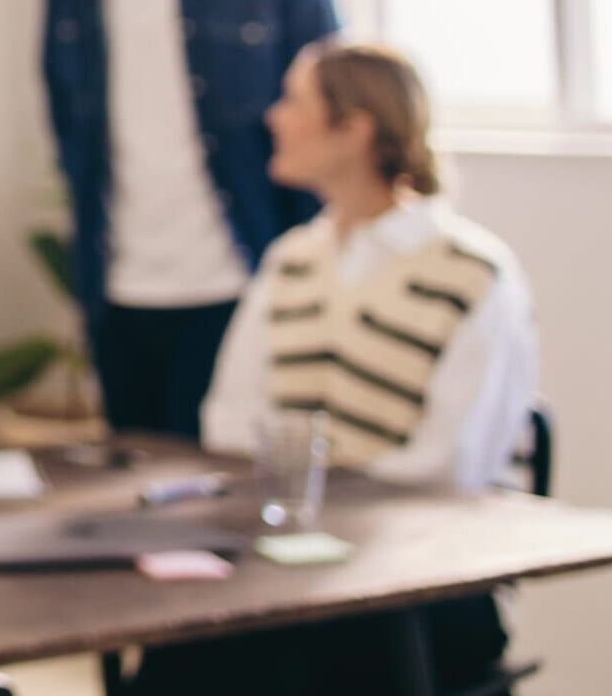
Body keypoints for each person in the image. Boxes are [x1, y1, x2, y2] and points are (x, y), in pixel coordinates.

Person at [134, 42, 538, 695]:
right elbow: (230, 422)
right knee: (175, 648)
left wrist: (310, 497)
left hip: (423, 586)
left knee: (278, 658)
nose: (272, 116)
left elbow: (447, 467)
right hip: (291, 563)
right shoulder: (290, 261)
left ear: (355, 129)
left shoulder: (473, 274)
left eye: (294, 100)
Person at [41, 0, 339, 438]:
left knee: (225, 500)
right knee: (134, 501)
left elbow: (330, 109)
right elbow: (63, 112)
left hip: (241, 277)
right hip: (120, 290)